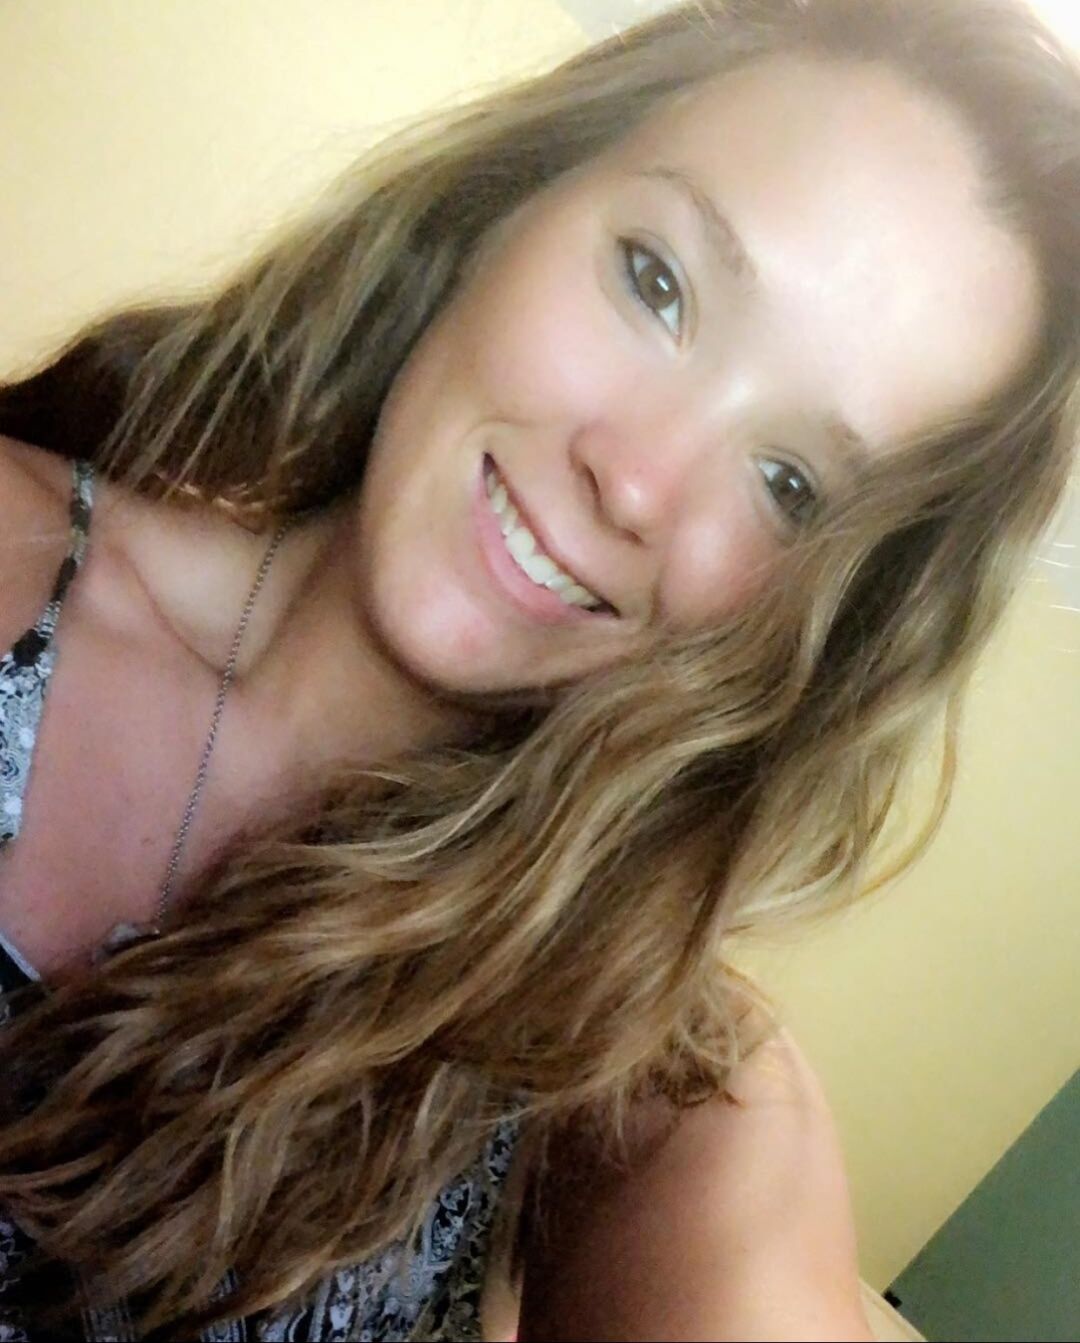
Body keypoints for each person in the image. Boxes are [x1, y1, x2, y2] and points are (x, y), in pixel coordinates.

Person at [0, 0, 1076, 1337]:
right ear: (509, 203)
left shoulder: (634, 1084)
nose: (635, 480)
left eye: (790, 484)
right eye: (658, 285)